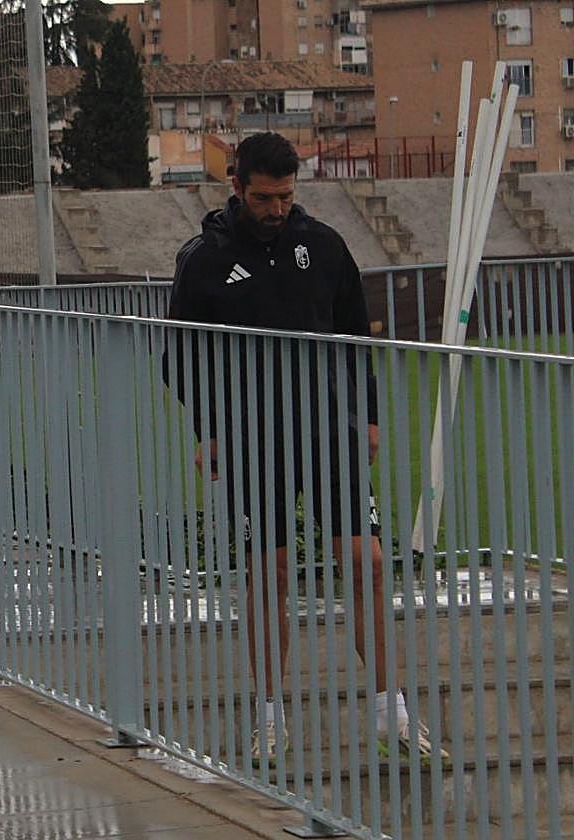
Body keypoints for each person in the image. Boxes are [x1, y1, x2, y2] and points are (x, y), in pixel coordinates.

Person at [165, 132, 445, 765]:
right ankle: (270, 718)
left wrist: (367, 418)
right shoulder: (204, 259)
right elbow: (179, 357)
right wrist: (209, 428)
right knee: (270, 573)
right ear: (237, 187)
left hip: (327, 431)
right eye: (264, 198)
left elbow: (354, 337)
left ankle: (393, 714)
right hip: (251, 438)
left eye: (286, 197)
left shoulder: (323, 245)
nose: (277, 209)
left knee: (368, 562)